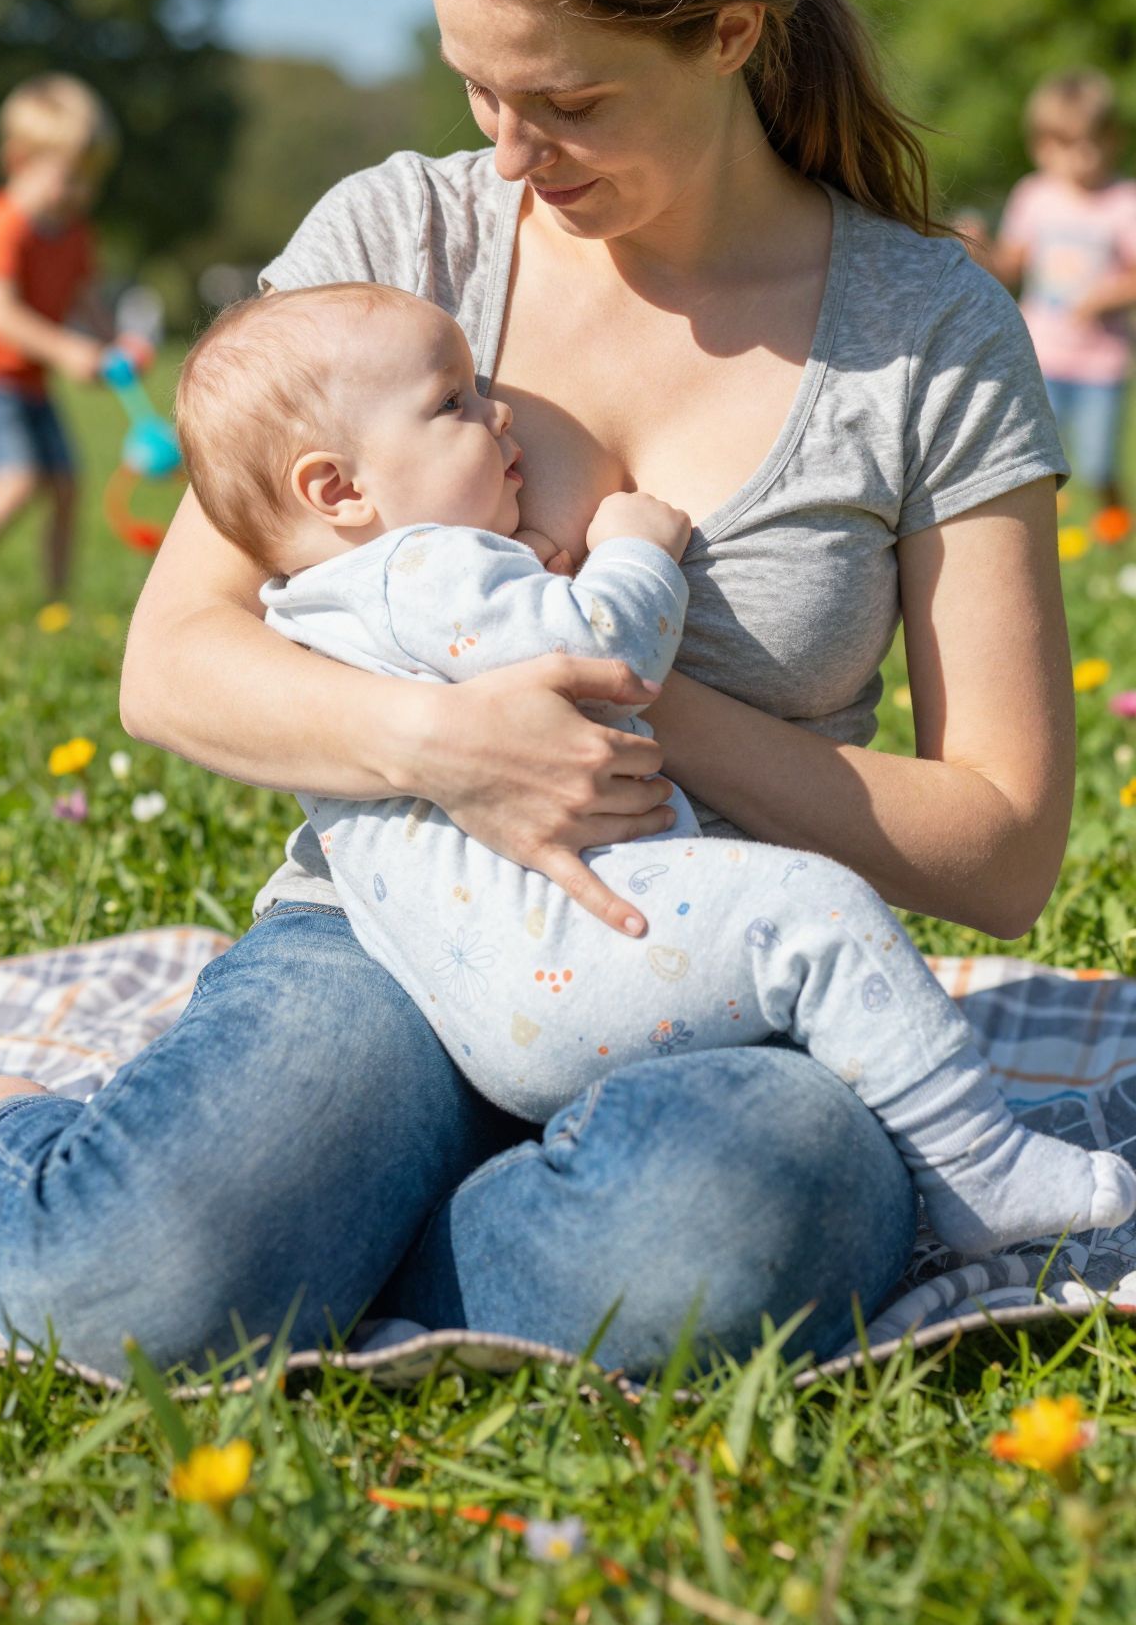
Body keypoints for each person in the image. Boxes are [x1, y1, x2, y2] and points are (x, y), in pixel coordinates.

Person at [0, 0, 1080, 1381]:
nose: (508, 155)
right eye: (476, 90)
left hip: (726, 971)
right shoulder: (400, 247)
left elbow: (1000, 846)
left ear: (728, 32)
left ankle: (343, 1240)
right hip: (397, 928)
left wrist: (632, 708)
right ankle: (293, 1215)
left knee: (722, 1229)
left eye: (567, 102)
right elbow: (173, 661)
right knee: (131, 1280)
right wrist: (451, 740)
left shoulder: (924, 332)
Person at [172, 279, 1134, 1255]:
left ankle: (376, 1256)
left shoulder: (317, 603)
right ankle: (979, 1164)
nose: (497, 412)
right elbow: (605, 650)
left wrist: (517, 569)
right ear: (339, 489)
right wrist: (633, 554)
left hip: (471, 984)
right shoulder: (422, 566)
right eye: (453, 402)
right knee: (814, 910)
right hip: (571, 950)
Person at [0, 74, 118, 598]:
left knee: (66, 483)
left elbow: (85, 297)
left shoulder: (76, 233)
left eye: (90, 181)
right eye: (69, 178)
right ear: (20, 160)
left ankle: (56, 603)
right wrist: (65, 348)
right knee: (18, 479)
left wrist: (112, 343)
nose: (80, 194)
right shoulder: (4, 224)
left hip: (32, 383)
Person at [994, 71, 1136, 524]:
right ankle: (1043, 534)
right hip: (1041, 355)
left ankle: (1115, 527)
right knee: (1035, 462)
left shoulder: (1123, 202)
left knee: (1097, 463)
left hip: (1101, 363)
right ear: (1041, 146)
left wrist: (1106, 296)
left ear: (1113, 140)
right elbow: (1008, 265)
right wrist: (976, 249)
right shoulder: (1033, 196)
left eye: (1091, 143)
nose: (1080, 157)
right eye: (1065, 145)